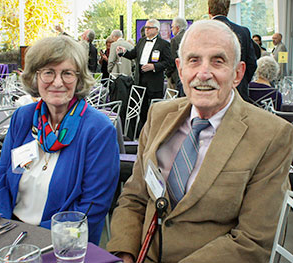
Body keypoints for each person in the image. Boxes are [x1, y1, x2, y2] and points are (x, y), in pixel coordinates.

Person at [106, 20, 293, 262]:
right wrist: (124, 253)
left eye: (218, 61)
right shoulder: (159, 116)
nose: (203, 74)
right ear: (180, 70)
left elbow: (252, 241)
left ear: (238, 73)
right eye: (193, 60)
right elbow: (134, 197)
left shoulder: (271, 135)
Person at [0, 35, 120, 245]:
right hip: (10, 231)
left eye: (67, 73)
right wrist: (3, 229)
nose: (58, 82)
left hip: (60, 242)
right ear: (35, 76)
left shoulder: (98, 130)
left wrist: (36, 241)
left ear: (79, 78)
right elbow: (1, 178)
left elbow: (93, 207)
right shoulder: (23, 118)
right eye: (48, 72)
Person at [117, 19, 171, 126]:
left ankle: (154, 130)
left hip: (154, 80)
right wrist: (123, 52)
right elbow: (133, 54)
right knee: (141, 108)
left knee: (155, 108)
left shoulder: (163, 44)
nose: (146, 30)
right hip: (140, 79)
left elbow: (169, 62)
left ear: (156, 29)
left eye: (149, 28)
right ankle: (141, 132)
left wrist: (154, 66)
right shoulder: (141, 41)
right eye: (146, 28)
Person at [208, 0, 257, 102]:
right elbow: (252, 63)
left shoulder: (203, 31)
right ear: (228, 9)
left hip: (210, 91)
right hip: (238, 91)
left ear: (209, 10)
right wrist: (240, 81)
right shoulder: (243, 32)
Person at [166, 17, 188, 94]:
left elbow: (172, 60)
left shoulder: (175, 40)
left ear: (177, 28)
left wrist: (168, 74)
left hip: (175, 76)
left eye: (172, 27)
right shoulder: (189, 37)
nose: (171, 29)